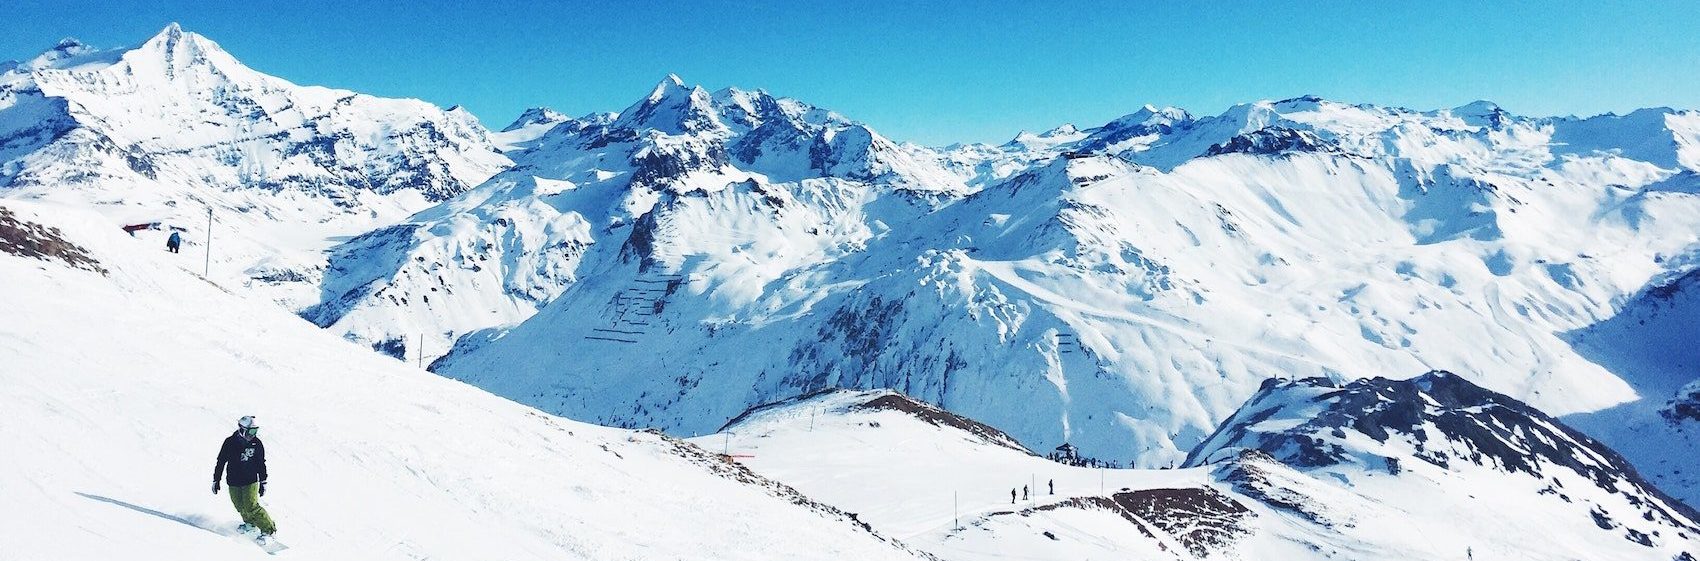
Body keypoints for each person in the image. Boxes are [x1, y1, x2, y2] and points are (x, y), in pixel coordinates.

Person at [214, 416, 275, 543]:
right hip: (233, 481)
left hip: (250, 480)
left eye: (255, 431)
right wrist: (216, 479)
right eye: (251, 431)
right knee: (240, 506)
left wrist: (263, 481)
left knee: (251, 506)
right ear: (242, 429)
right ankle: (250, 525)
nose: (253, 434)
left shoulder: (256, 443)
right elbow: (221, 461)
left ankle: (269, 530)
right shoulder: (230, 442)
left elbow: (260, 463)